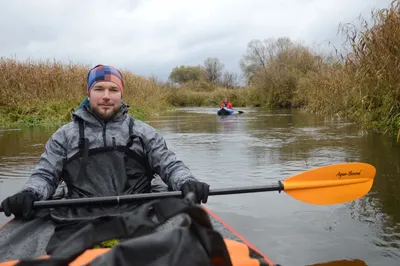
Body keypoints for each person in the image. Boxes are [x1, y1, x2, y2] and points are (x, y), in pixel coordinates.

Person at [1, 64, 210, 221]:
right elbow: (45, 174)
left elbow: (170, 165)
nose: (106, 96)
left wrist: (186, 182)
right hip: (80, 214)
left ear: (121, 94)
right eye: (99, 89)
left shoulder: (143, 132)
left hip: (139, 211)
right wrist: (29, 193)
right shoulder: (64, 135)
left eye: (113, 90)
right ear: (88, 93)